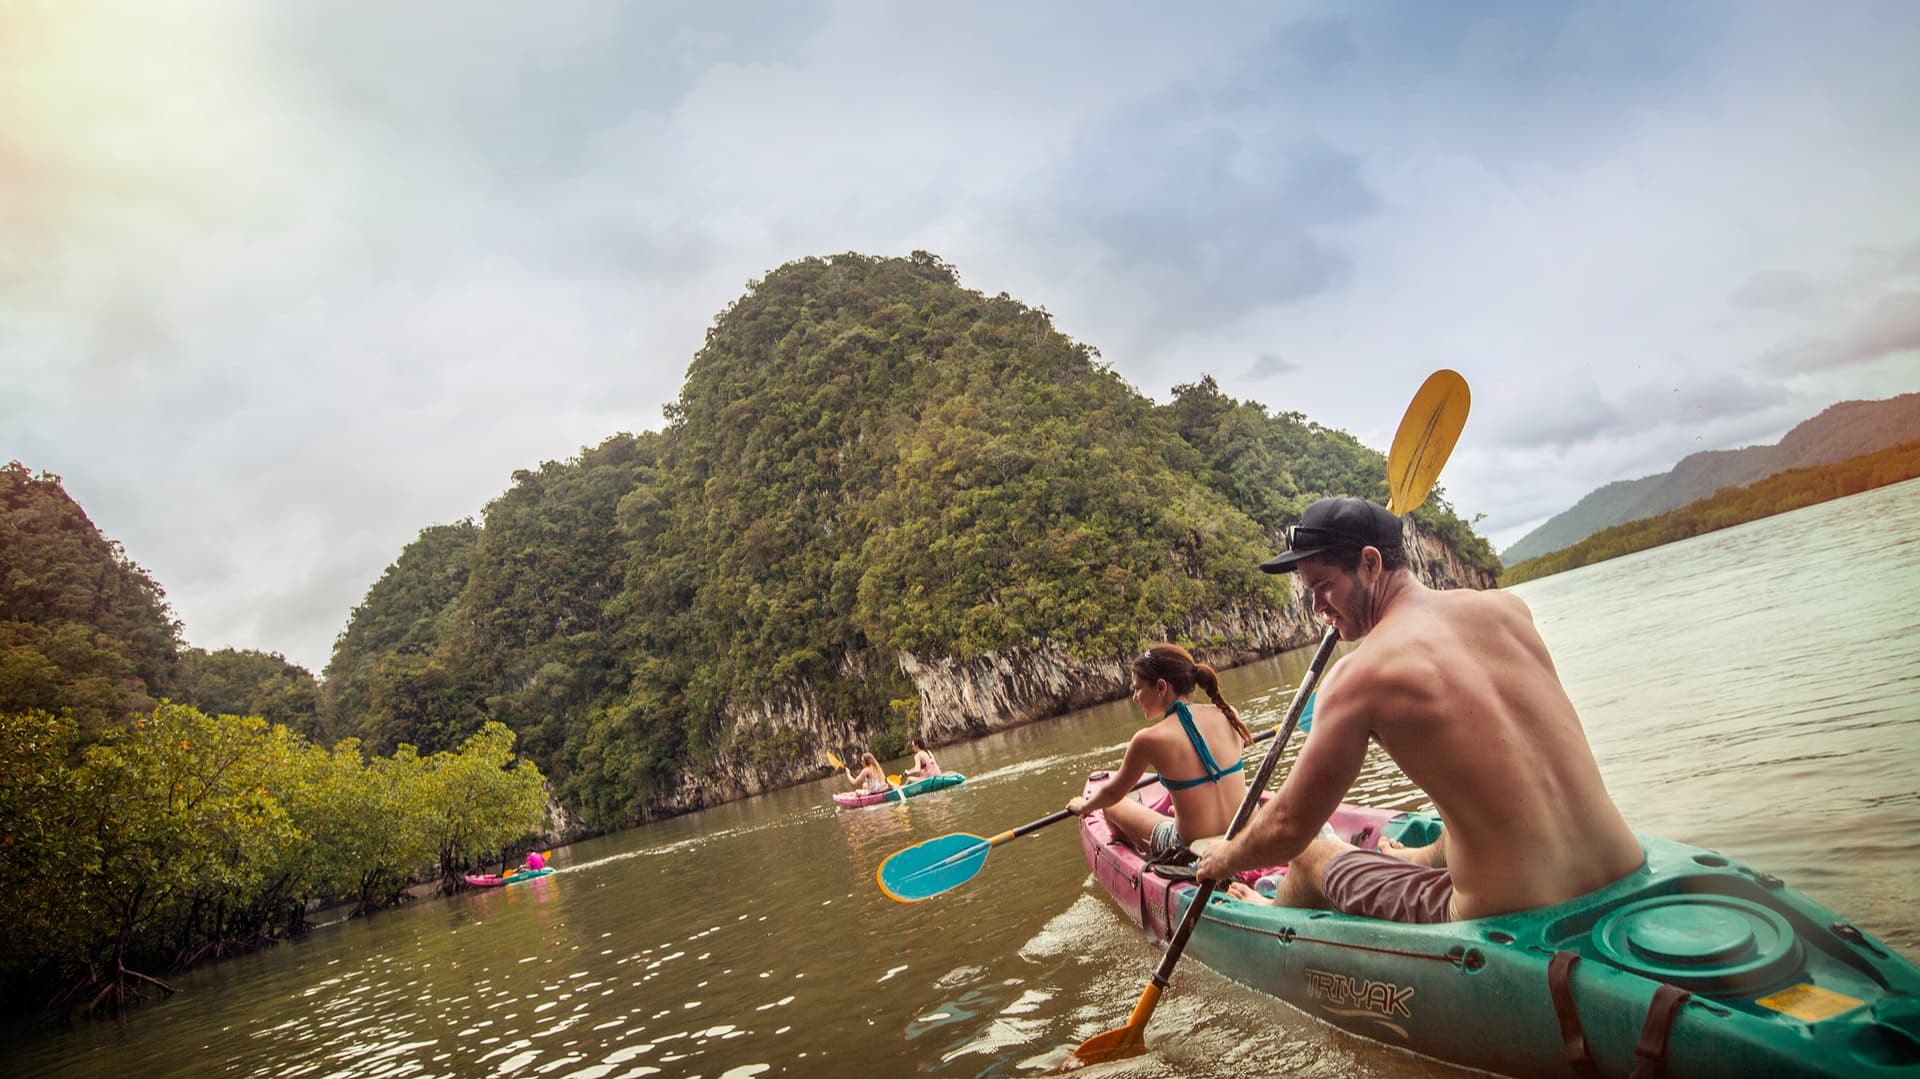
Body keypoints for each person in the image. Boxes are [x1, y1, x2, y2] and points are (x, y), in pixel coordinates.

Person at [1194, 496, 1644, 923]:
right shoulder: (1509, 610)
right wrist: (1423, 859)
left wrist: (1225, 856)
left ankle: (1269, 912)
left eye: (1324, 586)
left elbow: (1289, 827)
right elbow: (1500, 785)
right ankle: (1422, 857)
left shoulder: (1359, 676)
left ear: (1370, 563)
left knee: (1311, 852)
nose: (1317, 608)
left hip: (1510, 909)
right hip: (1623, 867)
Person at [1067, 644, 1255, 862]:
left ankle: (1138, 860)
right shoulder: (1229, 713)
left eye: (1138, 688)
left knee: (1110, 807)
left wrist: (1084, 806)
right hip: (1247, 831)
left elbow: (1112, 793)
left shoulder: (1148, 739)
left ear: (1161, 687)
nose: (1135, 698)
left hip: (1192, 848)